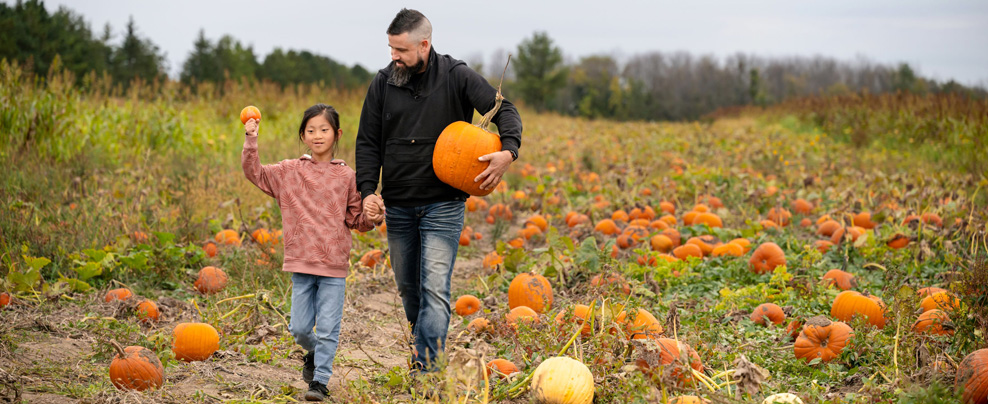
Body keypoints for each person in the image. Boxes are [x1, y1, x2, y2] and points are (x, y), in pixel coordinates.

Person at [355, 8, 523, 374]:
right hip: (398, 204)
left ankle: (427, 368)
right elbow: (368, 142)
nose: (393, 57)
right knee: (409, 290)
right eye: (390, 48)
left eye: (400, 50)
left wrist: (508, 151)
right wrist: (368, 190)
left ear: (424, 45)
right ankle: (424, 347)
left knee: (434, 288)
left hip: (443, 204)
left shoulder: (456, 75)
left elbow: (504, 109)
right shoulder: (383, 83)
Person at [242, 104, 380, 401]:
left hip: (333, 266)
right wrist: (251, 139)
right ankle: (314, 352)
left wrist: (375, 215)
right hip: (301, 263)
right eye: (311, 130)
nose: (318, 136)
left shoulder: (347, 177)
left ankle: (319, 382)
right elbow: (255, 173)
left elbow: (357, 221)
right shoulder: (290, 171)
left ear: (337, 134)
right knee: (300, 328)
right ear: (303, 135)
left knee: (329, 328)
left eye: (324, 130)